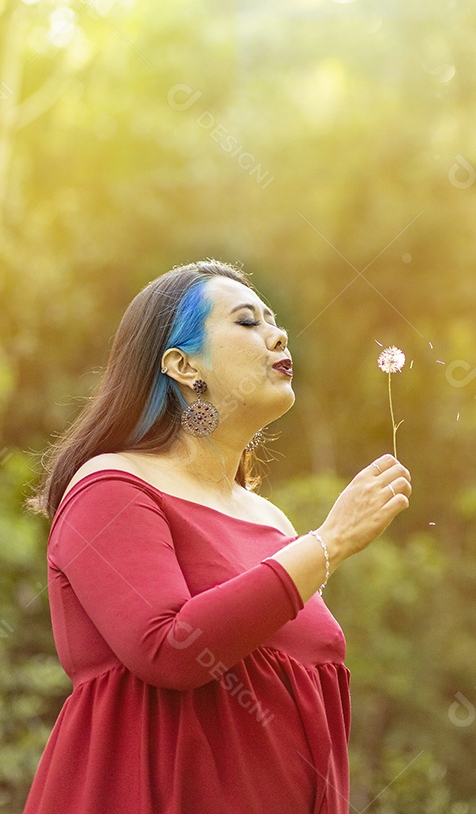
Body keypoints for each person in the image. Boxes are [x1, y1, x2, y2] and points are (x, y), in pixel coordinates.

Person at [23, 259, 412, 814]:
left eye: (274, 321)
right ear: (183, 365)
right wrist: (330, 542)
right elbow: (169, 650)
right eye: (248, 321)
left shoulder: (273, 522)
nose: (278, 335)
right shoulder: (109, 487)